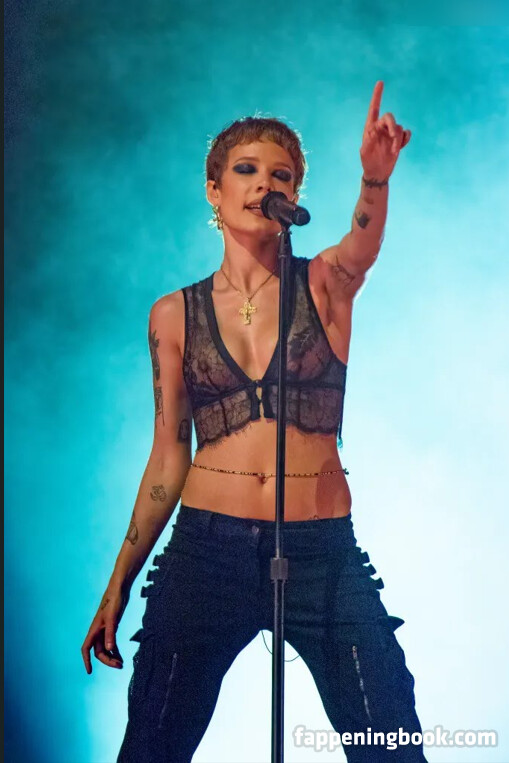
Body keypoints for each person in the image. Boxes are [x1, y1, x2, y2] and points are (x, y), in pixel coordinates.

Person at [82, 81, 427, 762]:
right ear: (214, 190)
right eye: (246, 169)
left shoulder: (323, 285)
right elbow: (167, 457)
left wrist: (374, 178)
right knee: (152, 744)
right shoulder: (173, 315)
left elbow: (362, 246)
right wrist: (118, 582)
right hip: (205, 554)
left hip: (321, 554)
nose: (265, 183)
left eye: (282, 175)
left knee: (388, 737)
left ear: (293, 195)